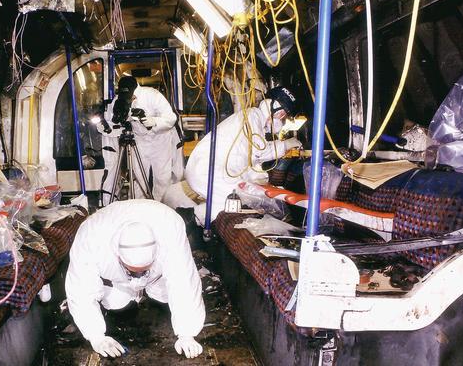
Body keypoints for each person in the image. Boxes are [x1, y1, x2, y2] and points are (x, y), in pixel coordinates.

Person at [65, 199, 205, 359]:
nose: (139, 276)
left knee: (164, 294)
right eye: (133, 271)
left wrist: (187, 334)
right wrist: (96, 336)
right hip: (116, 280)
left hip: (157, 276)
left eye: (143, 270)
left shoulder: (170, 228)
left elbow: (184, 281)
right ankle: (123, 293)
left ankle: (153, 287)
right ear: (117, 255)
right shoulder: (91, 237)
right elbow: (81, 291)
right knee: (117, 303)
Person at [182, 86, 303, 225]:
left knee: (238, 201)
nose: (282, 120)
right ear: (277, 111)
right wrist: (287, 144)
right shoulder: (252, 117)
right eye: (283, 116)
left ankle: (194, 219)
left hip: (208, 170)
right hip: (208, 172)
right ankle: (190, 217)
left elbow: (248, 157)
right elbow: (260, 151)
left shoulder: (253, 119)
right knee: (237, 203)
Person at [99, 76, 179, 204]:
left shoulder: (152, 95)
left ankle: (164, 209)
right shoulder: (117, 100)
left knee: (162, 178)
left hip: (160, 140)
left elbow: (171, 118)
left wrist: (154, 121)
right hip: (139, 140)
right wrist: (106, 127)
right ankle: (139, 208)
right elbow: (111, 121)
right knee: (139, 179)